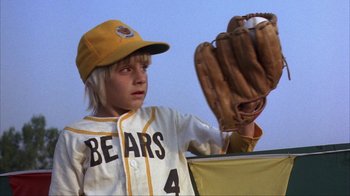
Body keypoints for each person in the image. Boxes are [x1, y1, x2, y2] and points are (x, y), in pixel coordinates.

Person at [49, 20, 262, 195]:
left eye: (144, 67)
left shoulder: (169, 120)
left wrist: (247, 110)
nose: (140, 78)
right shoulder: (74, 137)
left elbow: (233, 148)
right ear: (95, 81)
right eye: (126, 69)